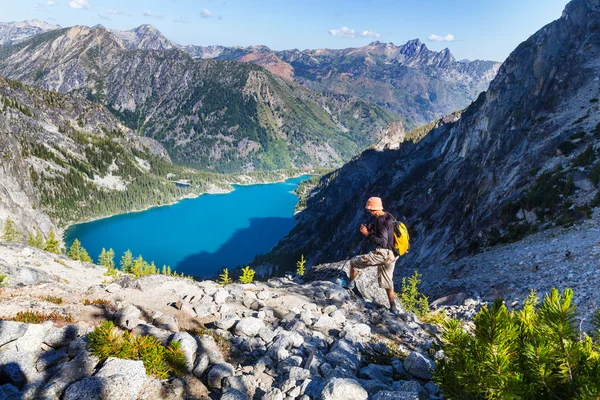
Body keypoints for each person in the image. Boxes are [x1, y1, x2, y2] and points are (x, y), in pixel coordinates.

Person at [342, 196, 399, 314]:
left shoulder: (380, 221)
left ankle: (350, 284)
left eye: (370, 209)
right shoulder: (388, 217)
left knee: (354, 262)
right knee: (388, 281)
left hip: (383, 254)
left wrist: (367, 233)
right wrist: (374, 230)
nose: (369, 211)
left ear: (374, 209)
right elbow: (388, 237)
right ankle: (393, 308)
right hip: (392, 254)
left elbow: (382, 242)